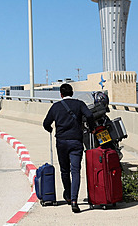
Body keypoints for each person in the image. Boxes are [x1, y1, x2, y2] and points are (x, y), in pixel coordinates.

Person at [42, 83, 94, 213]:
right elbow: (89, 115)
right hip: (76, 142)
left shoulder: (56, 107)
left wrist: (50, 129)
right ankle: (74, 200)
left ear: (61, 94)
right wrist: (92, 128)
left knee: (64, 171)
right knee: (75, 171)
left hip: (62, 143)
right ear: (72, 93)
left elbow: (46, 123)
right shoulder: (79, 104)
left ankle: (68, 196)